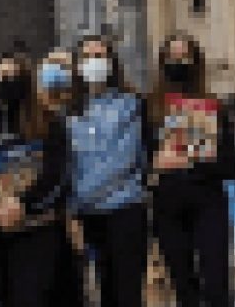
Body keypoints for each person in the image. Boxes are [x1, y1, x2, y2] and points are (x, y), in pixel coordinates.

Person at [0, 54, 73, 307]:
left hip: (38, 230)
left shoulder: (49, 124)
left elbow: (58, 173)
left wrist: (24, 205)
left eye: (13, 76)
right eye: (2, 77)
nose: (7, 82)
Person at [147, 32, 235, 307]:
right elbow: (140, 158)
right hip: (167, 204)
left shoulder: (214, 107)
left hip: (208, 200)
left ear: (196, 62)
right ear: (162, 63)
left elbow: (231, 163)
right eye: (172, 57)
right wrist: (154, 163)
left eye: (185, 56)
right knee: (182, 283)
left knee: (216, 280)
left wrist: (198, 158)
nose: (179, 62)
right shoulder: (149, 108)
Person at [68, 33, 150, 307]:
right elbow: (67, 162)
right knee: (102, 292)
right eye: (87, 57)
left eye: (99, 56)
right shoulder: (69, 112)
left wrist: (79, 199)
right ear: (77, 66)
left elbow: (124, 160)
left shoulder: (130, 103)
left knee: (127, 292)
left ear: (112, 62)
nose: (93, 62)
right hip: (89, 218)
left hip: (124, 209)